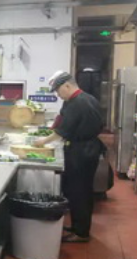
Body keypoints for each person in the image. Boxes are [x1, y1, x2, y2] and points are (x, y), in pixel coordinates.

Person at [35, 71, 104, 243]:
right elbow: (61, 119)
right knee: (76, 190)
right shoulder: (84, 99)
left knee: (80, 191)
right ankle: (77, 226)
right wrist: (52, 128)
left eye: (58, 91)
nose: (58, 95)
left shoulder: (77, 103)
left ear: (67, 86)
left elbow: (62, 131)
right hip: (86, 147)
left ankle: (81, 233)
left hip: (83, 151)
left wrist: (43, 141)